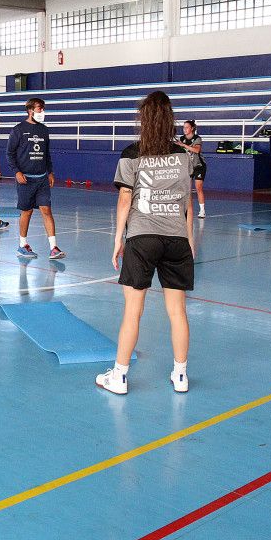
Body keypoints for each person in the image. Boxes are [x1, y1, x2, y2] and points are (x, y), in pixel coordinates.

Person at [97, 91, 195, 395]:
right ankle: (180, 376)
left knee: (132, 310)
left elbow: (125, 198)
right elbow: (186, 202)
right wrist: (189, 240)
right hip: (176, 238)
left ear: (143, 119)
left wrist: (118, 239)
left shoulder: (131, 154)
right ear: (170, 119)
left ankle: (120, 376)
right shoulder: (184, 156)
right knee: (177, 311)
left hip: (142, 237)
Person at [8, 97, 64, 259]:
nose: (42, 112)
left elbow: (47, 154)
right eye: (40, 109)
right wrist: (17, 172)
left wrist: (50, 172)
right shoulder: (18, 130)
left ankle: (53, 248)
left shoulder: (44, 130)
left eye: (43, 109)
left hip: (42, 179)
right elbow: (9, 154)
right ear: (30, 110)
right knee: (27, 212)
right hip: (26, 179)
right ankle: (22, 245)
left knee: (46, 210)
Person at [177, 119, 207, 218]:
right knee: (187, 189)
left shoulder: (197, 138)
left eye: (186, 127)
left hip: (199, 166)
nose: (184, 129)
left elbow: (197, 150)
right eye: (183, 127)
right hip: (187, 167)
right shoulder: (181, 138)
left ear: (192, 128)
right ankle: (186, 210)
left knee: (198, 187)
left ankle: (202, 211)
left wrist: (184, 145)